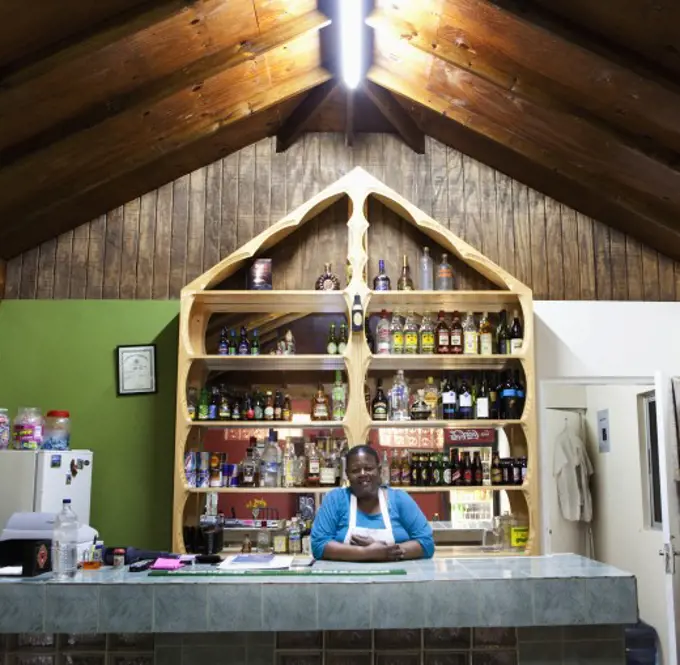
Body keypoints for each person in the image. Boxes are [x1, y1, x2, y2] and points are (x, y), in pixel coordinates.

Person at [311, 445, 435, 561]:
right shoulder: (335, 499)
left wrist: (387, 552)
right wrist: (368, 553)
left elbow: (426, 543)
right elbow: (319, 545)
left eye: (369, 468)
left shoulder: (399, 499)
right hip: (347, 580)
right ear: (347, 474)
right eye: (355, 470)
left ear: (379, 470)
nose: (363, 474)